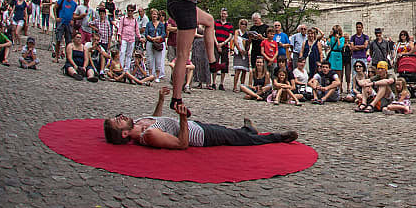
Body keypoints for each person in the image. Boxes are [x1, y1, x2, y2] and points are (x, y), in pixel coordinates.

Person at [104, 88, 298, 148]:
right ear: (124, 134)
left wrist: (161, 100)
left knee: (231, 132)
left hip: (195, 125)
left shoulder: (139, 123)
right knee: (242, 140)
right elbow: (182, 144)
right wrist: (181, 118)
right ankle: (278, 137)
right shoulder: (149, 135)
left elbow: (156, 117)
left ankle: (249, 130)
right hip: (200, 135)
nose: (121, 116)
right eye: (118, 121)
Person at [230, 20, 249, 91]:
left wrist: (246, 50)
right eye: (242, 24)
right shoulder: (237, 31)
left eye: (245, 24)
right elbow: (235, 40)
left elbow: (248, 43)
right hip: (238, 52)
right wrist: (240, 50)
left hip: (245, 52)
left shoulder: (247, 34)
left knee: (244, 71)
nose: (243, 26)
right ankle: (235, 86)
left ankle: (242, 86)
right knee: (238, 70)